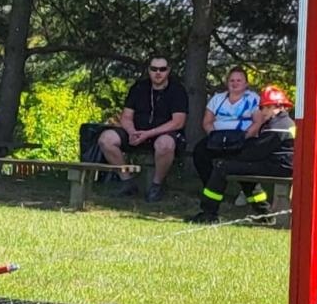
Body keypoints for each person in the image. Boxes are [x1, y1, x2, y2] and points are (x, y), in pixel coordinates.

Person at [187, 84, 296, 224]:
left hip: (277, 166)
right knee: (242, 169)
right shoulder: (284, 123)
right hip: (280, 164)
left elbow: (256, 152)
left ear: (280, 107)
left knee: (222, 166)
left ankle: (208, 213)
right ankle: (264, 214)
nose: (263, 111)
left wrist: (232, 156)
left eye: (268, 107)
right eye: (262, 107)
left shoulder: (277, 127)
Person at [97, 56, 189, 202]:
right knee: (106, 139)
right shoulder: (138, 88)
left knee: (165, 144)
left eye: (162, 69)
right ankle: (127, 181)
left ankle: (156, 185)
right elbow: (126, 116)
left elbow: (178, 122)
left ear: (168, 70)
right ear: (149, 70)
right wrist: (131, 132)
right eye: (154, 69)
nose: (158, 73)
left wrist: (148, 134)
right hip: (137, 131)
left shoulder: (177, 90)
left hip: (162, 134)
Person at [192, 67, 259, 191]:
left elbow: (258, 122)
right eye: (232, 80)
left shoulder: (253, 99)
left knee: (246, 157)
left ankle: (249, 192)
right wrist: (215, 137)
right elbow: (207, 122)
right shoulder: (217, 99)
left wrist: (244, 137)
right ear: (227, 83)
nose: (235, 83)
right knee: (200, 151)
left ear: (246, 84)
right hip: (219, 139)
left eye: (239, 80)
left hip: (243, 139)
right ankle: (211, 188)